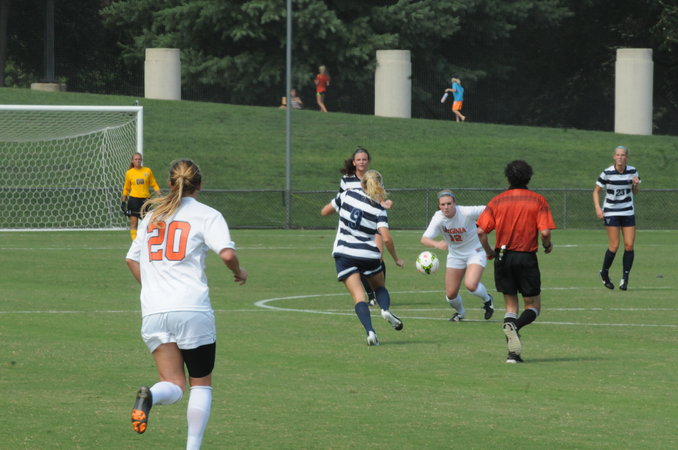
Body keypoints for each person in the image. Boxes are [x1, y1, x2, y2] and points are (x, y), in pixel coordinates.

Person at [125, 159, 248, 449]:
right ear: (200, 185)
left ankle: (151, 395)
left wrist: (153, 286)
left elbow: (131, 259)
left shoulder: (152, 216)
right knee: (200, 384)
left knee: (174, 385)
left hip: (154, 310)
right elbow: (227, 254)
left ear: (170, 184)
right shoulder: (207, 215)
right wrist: (239, 271)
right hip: (192, 308)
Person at [477, 160, 556, 364]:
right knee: (533, 306)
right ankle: (516, 327)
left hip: (503, 257)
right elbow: (545, 232)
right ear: (529, 177)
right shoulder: (537, 200)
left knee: (511, 307)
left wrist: (489, 252)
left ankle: (513, 355)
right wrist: (547, 245)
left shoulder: (497, 201)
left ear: (508, 178)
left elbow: (481, 231)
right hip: (526, 257)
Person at [320, 170, 405, 346]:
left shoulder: (347, 195)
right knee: (379, 287)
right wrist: (396, 258)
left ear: (362, 183)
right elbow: (386, 238)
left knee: (359, 297)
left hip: (344, 253)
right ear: (380, 186)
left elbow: (325, 212)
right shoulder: (379, 209)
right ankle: (385, 310)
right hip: (368, 255)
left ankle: (370, 332)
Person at [420, 190, 494, 322]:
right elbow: (424, 239)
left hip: (475, 251)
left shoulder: (466, 212)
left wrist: (486, 224)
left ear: (455, 203)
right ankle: (460, 313)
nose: (446, 207)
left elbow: (490, 209)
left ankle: (487, 300)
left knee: (471, 285)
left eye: (449, 203)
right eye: (442, 204)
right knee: (451, 295)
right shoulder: (438, 217)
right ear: (439, 206)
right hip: (455, 255)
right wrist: (437, 244)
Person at [336, 147, 393, 306]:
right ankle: (371, 295)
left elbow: (380, 200)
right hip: (353, 227)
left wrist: (386, 203)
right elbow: (340, 200)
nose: (362, 162)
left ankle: (380, 291)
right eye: (359, 159)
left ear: (368, 161)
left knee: (377, 257)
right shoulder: (346, 180)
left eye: (364, 159)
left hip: (372, 224)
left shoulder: (373, 178)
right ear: (354, 162)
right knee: (357, 259)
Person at [592, 145, 641, 291]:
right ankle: (604, 273)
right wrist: (598, 208)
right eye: (618, 155)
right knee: (614, 245)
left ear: (627, 157)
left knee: (629, 245)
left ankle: (625, 278)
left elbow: (635, 192)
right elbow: (596, 191)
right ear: (614, 156)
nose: (620, 157)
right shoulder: (607, 173)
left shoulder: (632, 171)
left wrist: (635, 185)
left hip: (627, 211)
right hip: (611, 212)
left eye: (623, 155)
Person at [122, 152, 161, 240]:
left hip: (145, 200)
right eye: (136, 159)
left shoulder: (147, 171)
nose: (138, 161)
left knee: (147, 222)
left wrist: (159, 194)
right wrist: (123, 201)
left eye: (139, 159)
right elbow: (126, 188)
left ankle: (146, 241)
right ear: (132, 161)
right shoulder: (129, 173)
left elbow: (154, 184)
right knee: (134, 222)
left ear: (141, 160)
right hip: (134, 200)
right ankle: (135, 242)